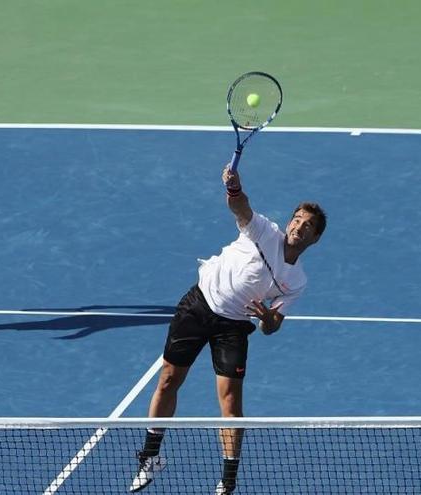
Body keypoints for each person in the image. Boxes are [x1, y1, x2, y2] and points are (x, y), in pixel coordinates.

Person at [129, 164, 327, 494]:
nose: (299, 227)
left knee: (231, 404)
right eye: (297, 220)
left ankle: (228, 481)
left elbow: (273, 326)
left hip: (234, 326)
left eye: (308, 226)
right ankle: (150, 458)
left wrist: (266, 319)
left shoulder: (297, 281)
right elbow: (241, 207)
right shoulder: (264, 231)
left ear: (315, 238)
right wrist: (234, 188)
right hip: (199, 304)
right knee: (168, 379)